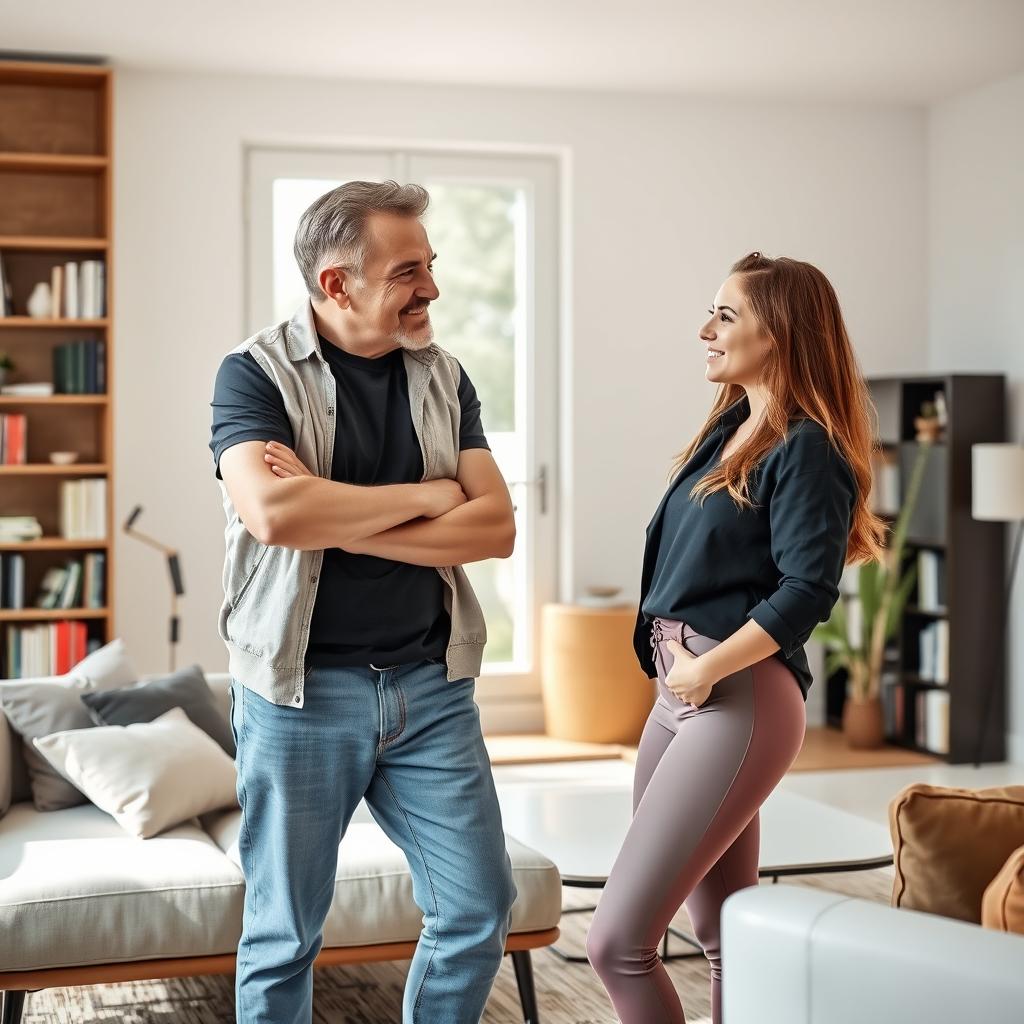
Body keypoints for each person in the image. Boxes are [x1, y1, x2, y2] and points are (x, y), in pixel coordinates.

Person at [208, 180, 518, 1024]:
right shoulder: (253, 374)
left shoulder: (444, 376)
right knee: (284, 936)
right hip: (302, 695)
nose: (432, 289)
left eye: (431, 265)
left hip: (431, 687)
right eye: (408, 271)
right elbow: (274, 512)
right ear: (338, 283)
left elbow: (494, 528)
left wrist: (336, 513)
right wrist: (430, 494)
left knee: (478, 910)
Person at [585, 251, 887, 1023]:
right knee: (723, 929)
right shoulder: (728, 427)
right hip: (677, 696)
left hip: (736, 698)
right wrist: (678, 676)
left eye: (726, 315)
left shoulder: (808, 447)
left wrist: (706, 668)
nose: (705, 331)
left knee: (616, 940)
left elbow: (808, 590)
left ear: (780, 333)